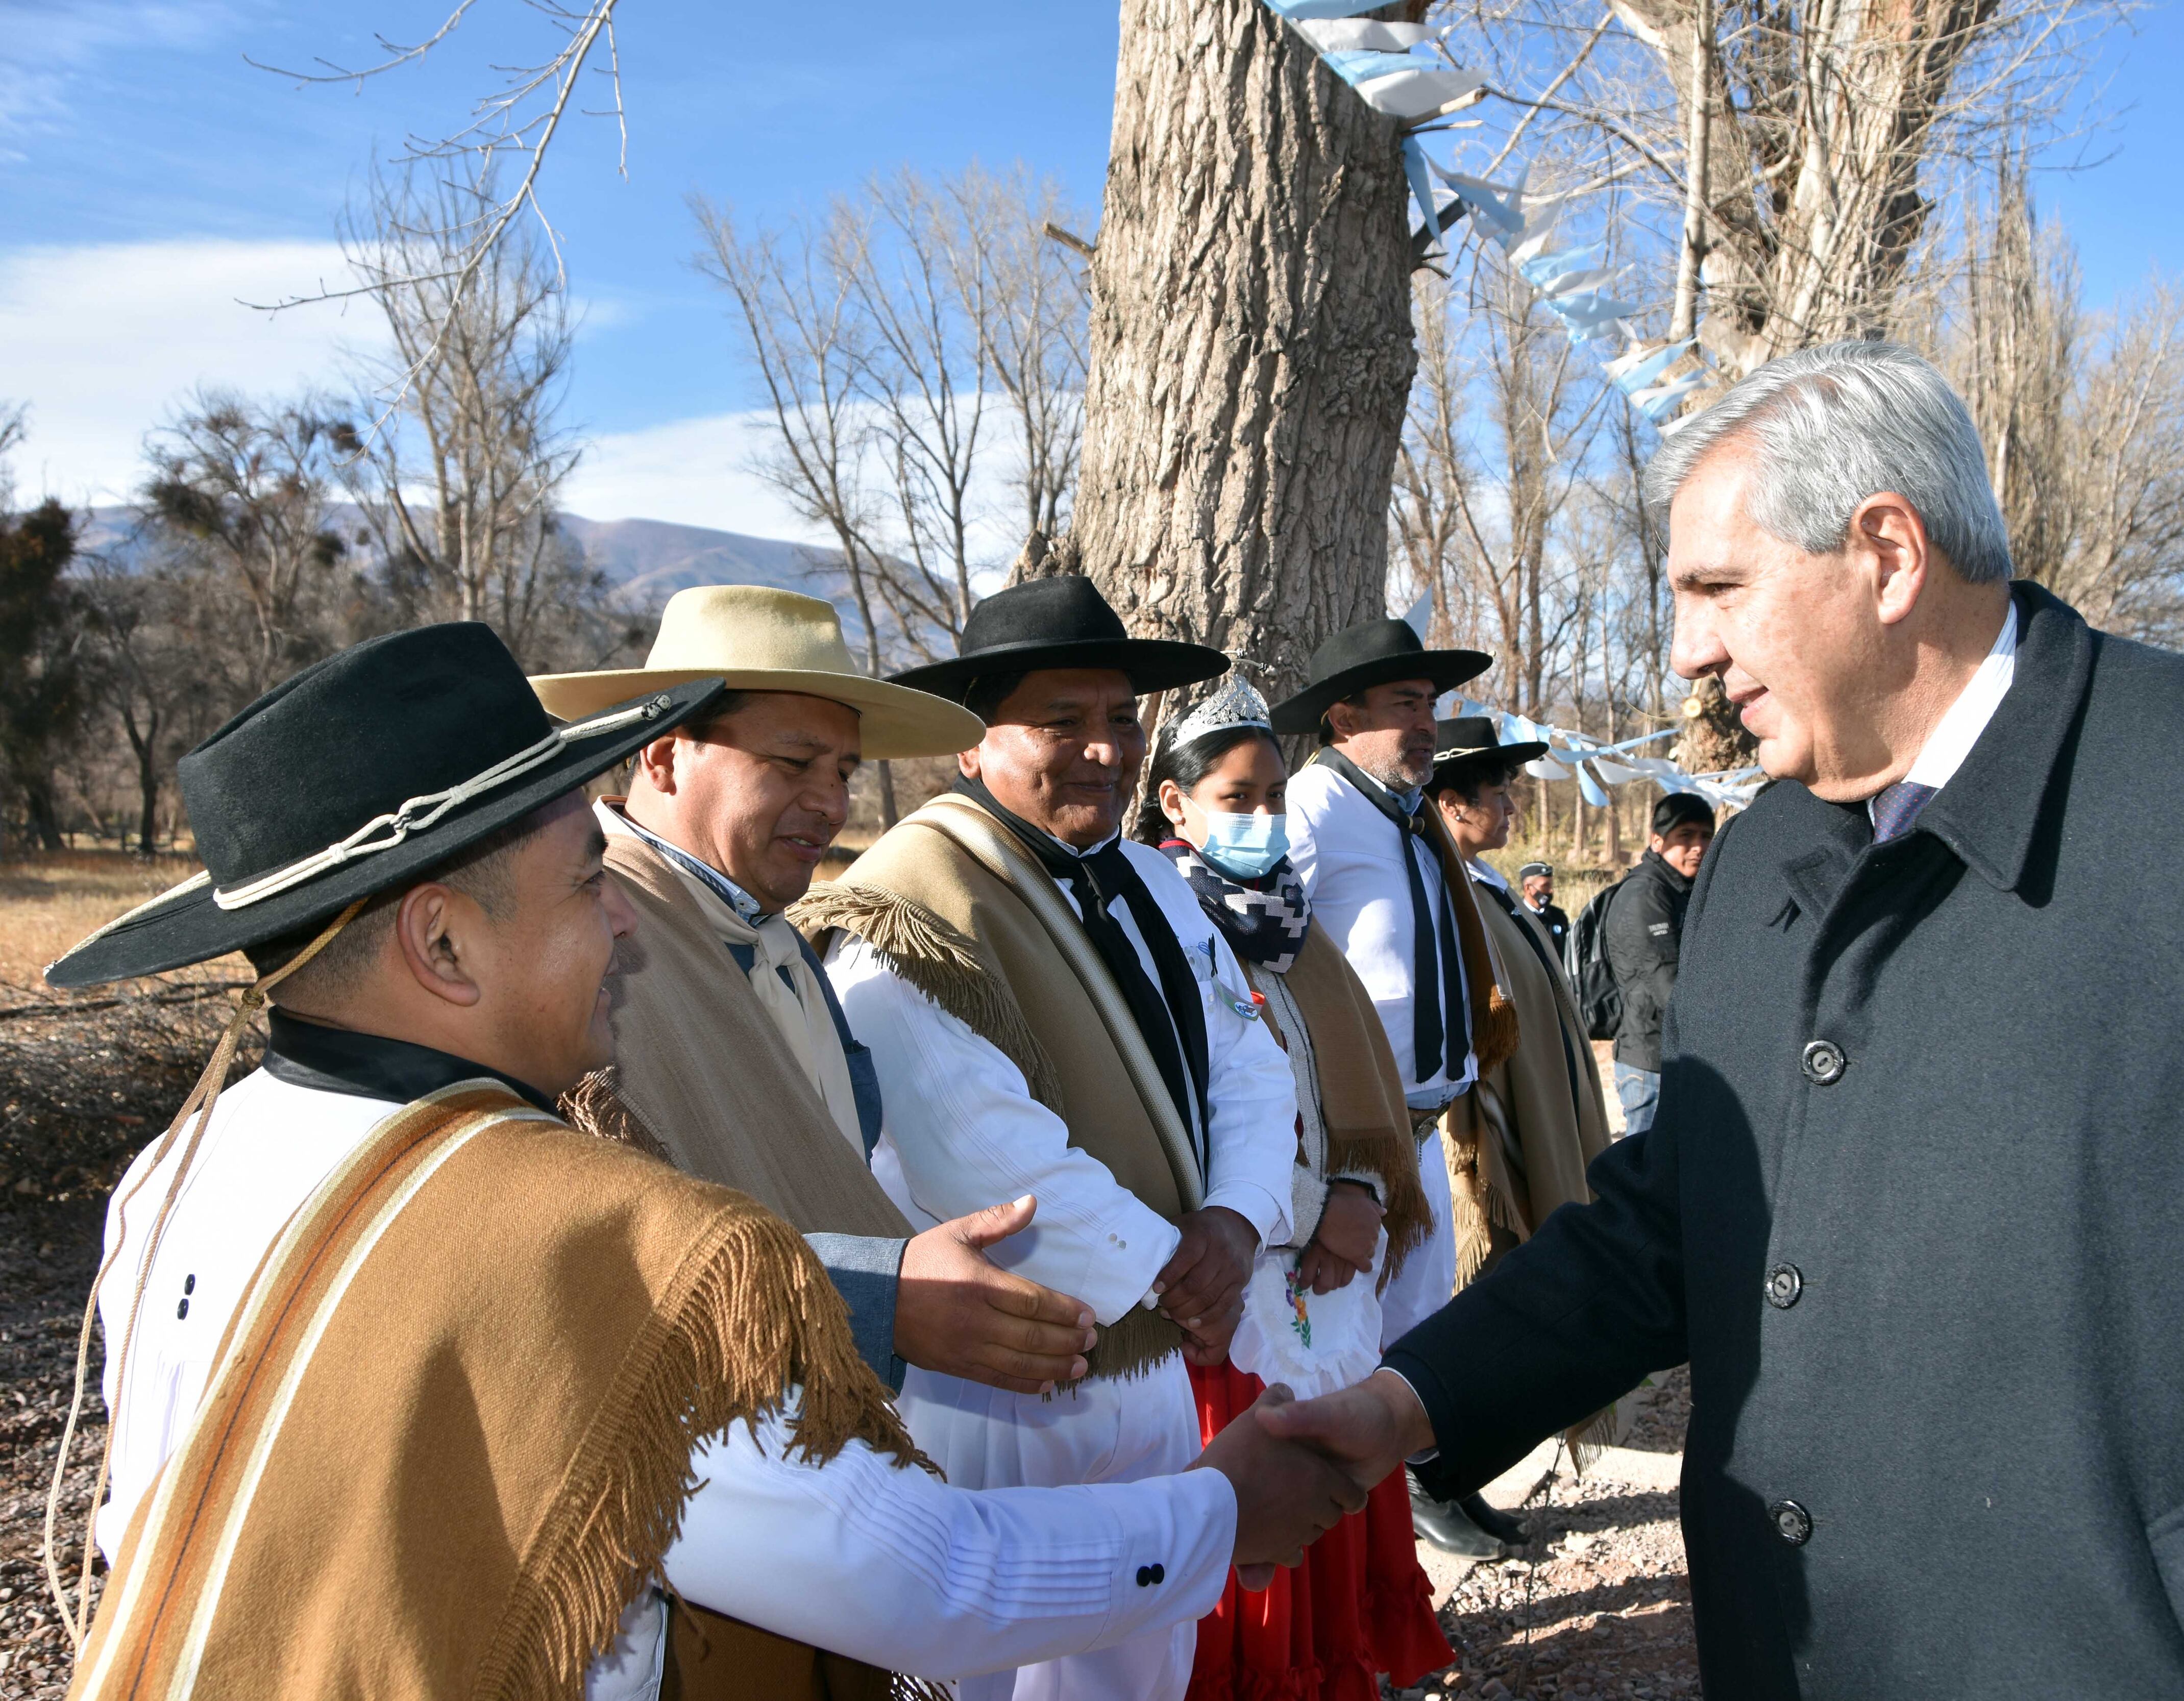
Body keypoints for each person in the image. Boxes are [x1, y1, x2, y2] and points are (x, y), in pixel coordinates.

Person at [1266, 340, 2184, 1698]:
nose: (1689, 648)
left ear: (1885, 553)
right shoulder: (1763, 857)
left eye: (1717, 589)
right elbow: (1675, 1214)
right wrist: (1406, 1407)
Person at [49, 625, 1361, 1699]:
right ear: (441, 946)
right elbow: (909, 1576)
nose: (625, 917)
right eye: (582, 884)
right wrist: (1210, 1521)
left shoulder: (172, 1172)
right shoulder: (569, 1236)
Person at [805, 575, 1303, 1701]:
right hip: (1008, 1376)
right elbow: (978, 1150)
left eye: (1121, 719)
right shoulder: (908, 904)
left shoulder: (1149, 883)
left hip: (1152, 1353)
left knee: (1137, 1652)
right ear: (977, 740)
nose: (1103, 750)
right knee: (996, 1662)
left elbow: (1246, 1062)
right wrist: (1188, 1273)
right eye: (1060, 723)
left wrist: (1234, 1220)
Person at [532, 586, 1105, 1412]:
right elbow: (603, 1249)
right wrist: (875, 1297)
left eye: (843, 771)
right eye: (794, 764)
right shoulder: (589, 936)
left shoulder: (775, 937)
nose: (831, 803)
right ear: (662, 756)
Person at [1139, 675, 1458, 1700]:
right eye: (1235, 799)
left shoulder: (1298, 928)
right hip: (1225, 1289)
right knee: (1248, 1523)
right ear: (1176, 808)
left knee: (1332, 1501)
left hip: (1326, 1278)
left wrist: (1360, 1188)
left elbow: (1352, 1075)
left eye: (1274, 795)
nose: (1262, 818)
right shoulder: (1151, 927)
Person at [1269, 616, 1516, 1557]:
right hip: (1352, 1140)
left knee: (1420, 1329)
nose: (1427, 723)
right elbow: (1272, 964)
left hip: (1419, 1126)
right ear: (1342, 716)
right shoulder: (1314, 806)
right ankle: (1354, 1545)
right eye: (1404, 704)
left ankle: (1425, 1493)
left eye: (1430, 704)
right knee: (1342, 1343)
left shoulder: (1407, 813)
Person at [1424, 717, 1612, 1285]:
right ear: (1453, 803)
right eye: (1500, 795)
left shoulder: (1488, 882)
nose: (1511, 810)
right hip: (1492, 1116)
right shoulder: (1439, 887)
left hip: (1546, 1093)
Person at [1602, 793, 1715, 1136]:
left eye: (1706, 836)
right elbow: (1669, 985)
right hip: (1651, 1061)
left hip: (1676, 1056)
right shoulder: (1647, 895)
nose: (1697, 847)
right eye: (1686, 836)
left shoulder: (1683, 888)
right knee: (1648, 1174)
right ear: (1657, 840)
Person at [1514, 860, 1569, 956]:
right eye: (1545, 886)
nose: (1551, 891)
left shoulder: (1559, 917)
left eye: (1551, 885)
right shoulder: (1515, 918)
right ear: (1528, 888)